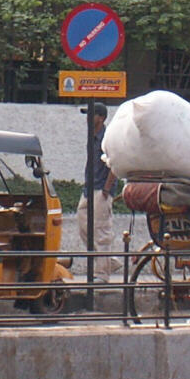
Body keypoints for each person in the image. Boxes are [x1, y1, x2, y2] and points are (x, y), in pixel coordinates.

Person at [75, 103, 120, 280]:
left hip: (101, 189)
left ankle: (102, 273)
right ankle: (110, 262)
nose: (88, 118)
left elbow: (115, 164)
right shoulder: (91, 136)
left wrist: (107, 189)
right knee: (83, 226)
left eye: (91, 115)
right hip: (89, 187)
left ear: (101, 118)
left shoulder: (107, 138)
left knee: (101, 231)